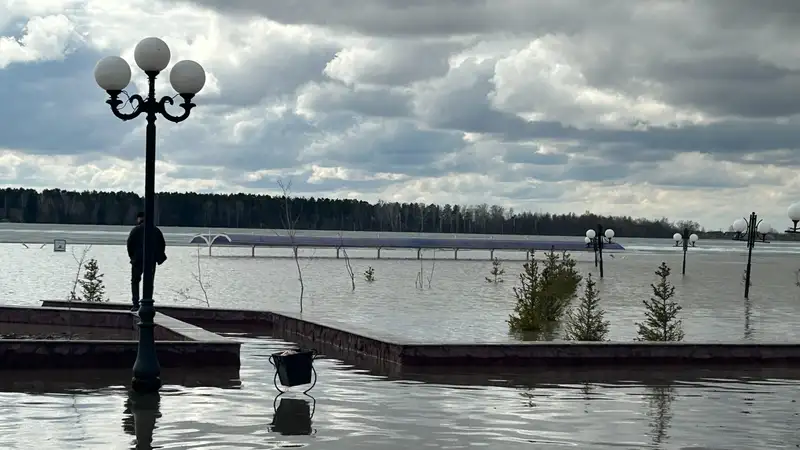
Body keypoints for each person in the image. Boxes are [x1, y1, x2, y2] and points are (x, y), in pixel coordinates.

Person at [127, 212, 167, 311]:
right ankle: (148, 302)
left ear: (139, 219)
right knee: (149, 282)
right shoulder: (156, 230)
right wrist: (158, 258)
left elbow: (129, 244)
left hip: (137, 260)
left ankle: (135, 304)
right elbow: (162, 244)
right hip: (151, 260)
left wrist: (132, 257)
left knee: (135, 281)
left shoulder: (135, 230)